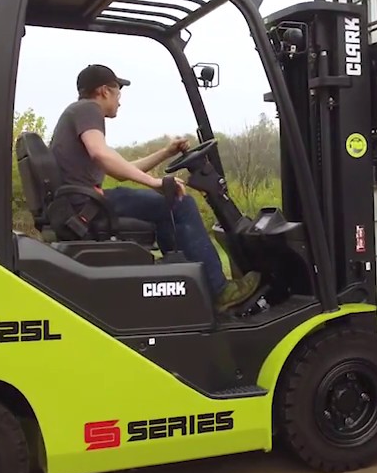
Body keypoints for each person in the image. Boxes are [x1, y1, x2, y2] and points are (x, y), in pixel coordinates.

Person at [49, 63, 262, 312]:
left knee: (167, 207)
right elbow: (101, 154)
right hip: (87, 205)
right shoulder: (88, 109)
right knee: (181, 203)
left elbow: (121, 169)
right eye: (118, 92)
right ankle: (219, 290)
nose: (120, 101)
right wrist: (155, 183)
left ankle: (185, 283)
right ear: (104, 91)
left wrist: (166, 153)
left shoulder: (76, 114)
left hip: (83, 203)